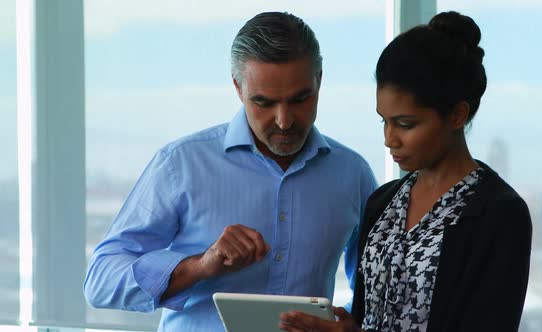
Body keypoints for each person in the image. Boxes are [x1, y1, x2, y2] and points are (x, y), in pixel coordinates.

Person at [83, 11, 377, 331]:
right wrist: (199, 266)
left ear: (319, 80)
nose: (284, 120)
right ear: (238, 88)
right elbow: (100, 281)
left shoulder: (353, 174)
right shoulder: (181, 164)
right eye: (264, 102)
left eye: (300, 99)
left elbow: (374, 291)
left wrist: (348, 326)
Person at [280, 11, 532, 332]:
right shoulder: (382, 203)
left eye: (405, 124)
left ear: (457, 115)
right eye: (383, 121)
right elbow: (364, 317)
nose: (389, 139)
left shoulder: (499, 214)